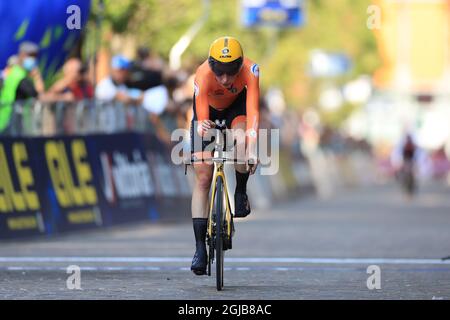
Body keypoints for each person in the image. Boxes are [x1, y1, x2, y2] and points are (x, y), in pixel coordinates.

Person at [189, 36, 260, 275]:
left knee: (241, 143)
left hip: (236, 108)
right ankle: (200, 248)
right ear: (211, 65)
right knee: (203, 178)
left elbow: (253, 110)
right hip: (206, 111)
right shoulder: (202, 74)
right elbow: (200, 116)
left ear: (240, 65)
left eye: (231, 72)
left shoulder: (251, 70)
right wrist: (203, 132)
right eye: (220, 72)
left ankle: (240, 190)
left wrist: (251, 147)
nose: (225, 78)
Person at [0, 41, 45, 133]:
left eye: (34, 56)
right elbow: (40, 95)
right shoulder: (21, 78)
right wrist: (37, 76)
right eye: (30, 56)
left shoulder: (11, 72)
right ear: (21, 55)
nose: (33, 59)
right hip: (10, 122)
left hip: (6, 121)